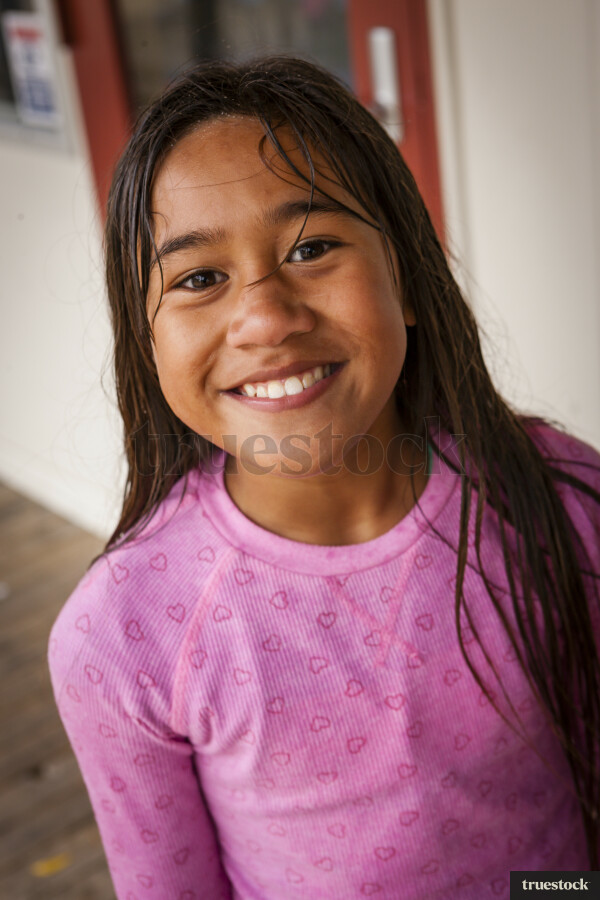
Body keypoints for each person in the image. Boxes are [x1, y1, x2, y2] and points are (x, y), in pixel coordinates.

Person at [48, 56, 600, 899]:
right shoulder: (123, 636)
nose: (266, 317)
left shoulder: (559, 500)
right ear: (146, 342)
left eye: (311, 248)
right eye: (199, 278)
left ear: (406, 277)